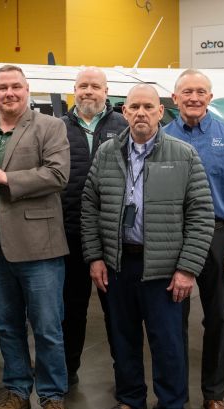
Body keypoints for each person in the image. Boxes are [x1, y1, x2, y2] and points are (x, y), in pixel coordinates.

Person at [82, 83, 213, 409]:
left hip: (165, 270)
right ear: (124, 112)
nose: (141, 113)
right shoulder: (108, 153)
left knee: (167, 342)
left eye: (148, 107)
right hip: (119, 263)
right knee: (121, 337)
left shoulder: (183, 155)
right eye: (134, 107)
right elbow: (90, 207)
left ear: (160, 112)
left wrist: (187, 269)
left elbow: (202, 214)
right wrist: (95, 257)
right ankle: (131, 401)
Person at [0, 65, 71, 409]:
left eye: (16, 87)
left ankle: (53, 397)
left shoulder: (50, 127)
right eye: (3, 87)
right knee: (7, 326)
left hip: (40, 248)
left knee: (47, 328)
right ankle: (17, 391)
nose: (9, 93)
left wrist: (7, 178)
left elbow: (58, 174)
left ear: (27, 90)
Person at [164, 69, 224, 409]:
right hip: (174, 236)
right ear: (175, 99)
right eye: (187, 92)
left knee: (216, 318)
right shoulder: (161, 137)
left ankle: (214, 395)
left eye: (201, 91)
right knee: (173, 320)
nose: (194, 98)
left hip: (217, 236)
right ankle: (176, 398)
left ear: (210, 98)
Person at [59, 67, 126, 387]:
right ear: (74, 90)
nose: (88, 91)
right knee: (71, 310)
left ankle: (124, 374)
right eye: (83, 86)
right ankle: (68, 372)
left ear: (106, 91)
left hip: (113, 235)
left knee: (117, 312)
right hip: (69, 233)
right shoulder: (57, 128)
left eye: (95, 86)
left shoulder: (123, 126)